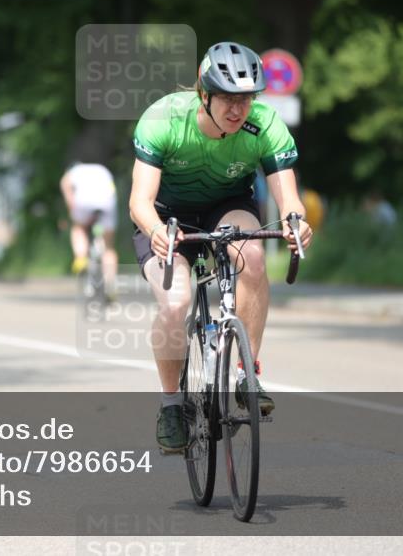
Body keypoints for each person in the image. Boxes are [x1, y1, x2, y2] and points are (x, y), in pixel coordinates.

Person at [129, 42, 313, 453]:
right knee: (176, 301)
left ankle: (248, 373)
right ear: (203, 94)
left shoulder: (264, 125)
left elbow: (289, 199)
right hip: (166, 214)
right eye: (228, 99)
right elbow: (139, 201)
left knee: (251, 256)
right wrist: (158, 230)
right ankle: (171, 405)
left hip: (227, 205)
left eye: (246, 99)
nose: (238, 110)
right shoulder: (165, 118)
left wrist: (295, 222)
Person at [60, 162, 118, 296]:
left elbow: (66, 187)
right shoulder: (103, 169)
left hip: (84, 200)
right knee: (108, 247)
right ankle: (111, 285)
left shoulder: (72, 171)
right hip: (106, 202)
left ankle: (80, 258)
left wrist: (72, 210)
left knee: (78, 228)